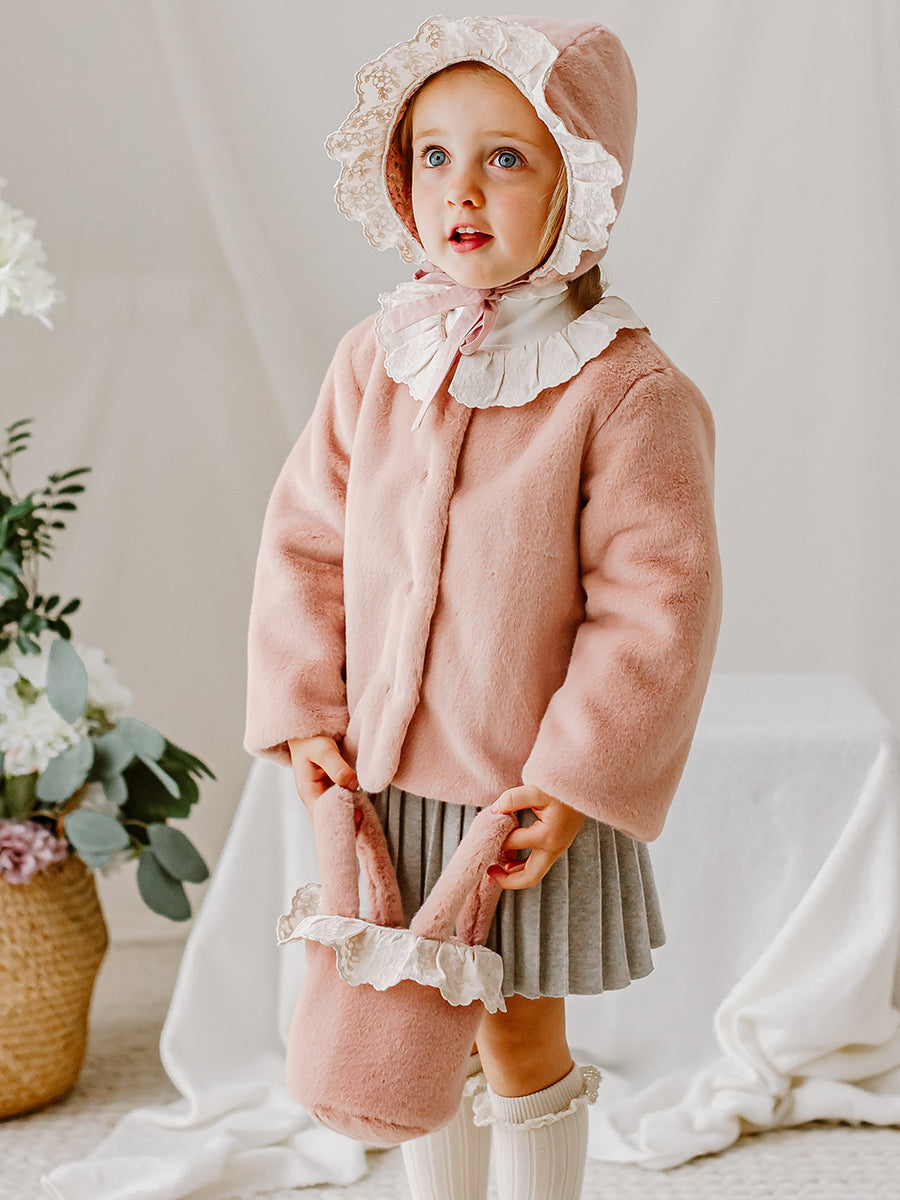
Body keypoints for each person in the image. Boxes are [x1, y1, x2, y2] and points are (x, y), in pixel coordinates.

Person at [245, 15, 722, 1200]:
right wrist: (306, 711)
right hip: (389, 782)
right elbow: (304, 540)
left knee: (514, 1031)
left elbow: (655, 609)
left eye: (505, 157)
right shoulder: (377, 359)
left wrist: (572, 782)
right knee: (412, 1026)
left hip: (522, 801)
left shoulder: (624, 389)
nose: (460, 188)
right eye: (434, 156)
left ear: (581, 182)